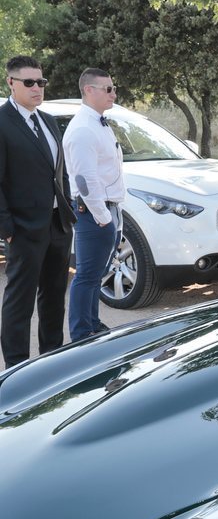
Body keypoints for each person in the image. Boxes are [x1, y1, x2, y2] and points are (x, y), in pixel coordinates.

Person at [0, 56, 74, 368]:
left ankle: (51, 361)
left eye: (40, 82)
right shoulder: (2, 122)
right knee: (20, 301)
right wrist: (6, 228)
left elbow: (60, 172)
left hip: (57, 224)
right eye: (28, 82)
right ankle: (17, 369)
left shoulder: (46, 119)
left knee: (55, 297)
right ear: (10, 83)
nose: (37, 88)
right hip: (23, 228)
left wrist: (69, 211)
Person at [63, 68, 125, 341]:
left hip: (108, 209)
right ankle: (81, 333)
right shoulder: (83, 129)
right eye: (108, 89)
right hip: (93, 211)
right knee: (87, 275)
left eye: (113, 88)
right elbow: (85, 180)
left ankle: (93, 324)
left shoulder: (99, 123)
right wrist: (102, 217)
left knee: (96, 274)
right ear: (89, 90)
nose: (114, 93)